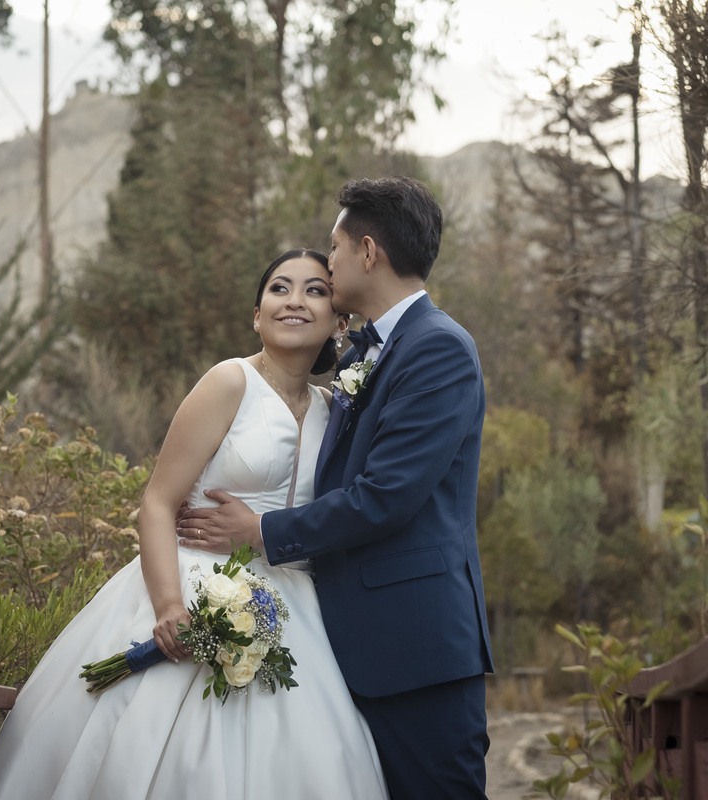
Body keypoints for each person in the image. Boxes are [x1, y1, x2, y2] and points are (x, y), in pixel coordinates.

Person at [0, 250, 389, 800]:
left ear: (338, 322)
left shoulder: (336, 410)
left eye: (315, 290)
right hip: (193, 582)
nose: (294, 301)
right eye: (279, 288)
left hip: (297, 611)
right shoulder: (229, 382)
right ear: (256, 315)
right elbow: (158, 503)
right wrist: (168, 606)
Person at [179, 177, 494, 799]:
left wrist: (260, 530)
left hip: (416, 645)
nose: (329, 263)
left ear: (368, 252)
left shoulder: (438, 348)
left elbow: (385, 496)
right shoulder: (361, 357)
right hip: (343, 643)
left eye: (335, 249)